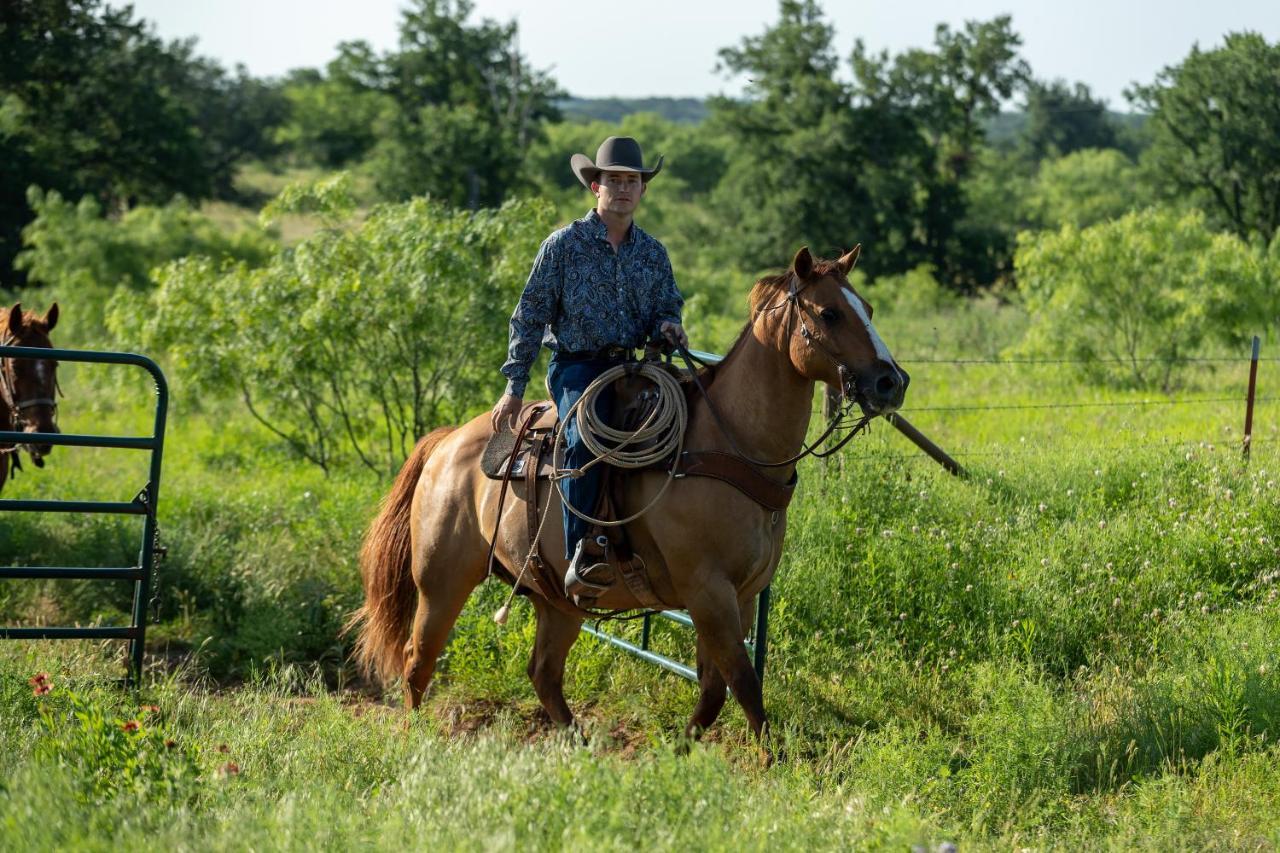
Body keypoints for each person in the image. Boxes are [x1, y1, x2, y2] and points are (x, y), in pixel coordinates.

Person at [490, 136, 687, 599]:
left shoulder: (653, 253)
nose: (623, 188)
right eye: (613, 180)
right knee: (584, 438)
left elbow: (668, 305)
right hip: (578, 368)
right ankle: (584, 553)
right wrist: (513, 388)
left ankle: (670, 544)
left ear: (642, 190)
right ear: (595, 187)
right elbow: (530, 316)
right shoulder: (563, 246)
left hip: (637, 369)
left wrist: (668, 325)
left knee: (688, 424)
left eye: (632, 181)